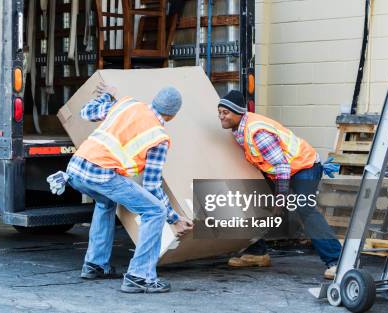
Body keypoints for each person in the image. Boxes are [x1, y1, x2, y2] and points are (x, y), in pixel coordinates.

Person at [47, 83, 193, 293]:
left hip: (76, 168)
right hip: (101, 175)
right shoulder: (159, 137)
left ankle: (95, 265)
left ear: (154, 101)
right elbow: (151, 185)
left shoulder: (126, 104)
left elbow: (86, 112)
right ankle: (139, 276)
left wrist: (106, 96)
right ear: (172, 115)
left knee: (105, 201)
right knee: (155, 211)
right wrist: (174, 218)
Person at [216, 90, 341, 279]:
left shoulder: (257, 132)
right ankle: (257, 253)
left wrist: (280, 198)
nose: (221, 116)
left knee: (304, 208)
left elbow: (282, 166)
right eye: (219, 112)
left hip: (303, 166)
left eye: (225, 112)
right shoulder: (238, 129)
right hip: (281, 170)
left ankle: (337, 262)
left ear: (238, 113)